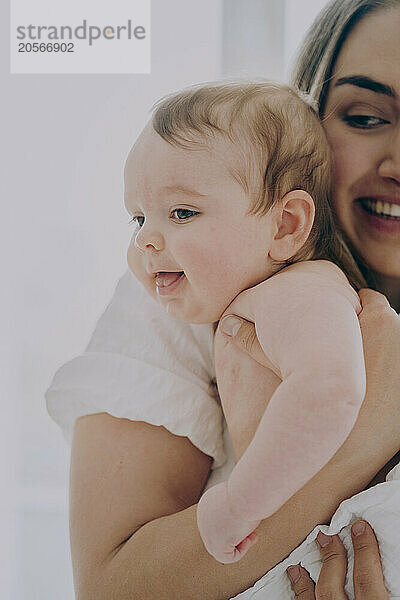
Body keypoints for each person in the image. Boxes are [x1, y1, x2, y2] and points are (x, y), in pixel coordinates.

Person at [46, 0, 400, 598]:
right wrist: (360, 441)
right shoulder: (194, 288)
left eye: (180, 211)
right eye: (365, 117)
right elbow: (112, 589)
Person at [124, 80, 367, 565]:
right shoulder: (255, 299)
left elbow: (330, 388)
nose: (147, 239)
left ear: (286, 226)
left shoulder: (301, 290)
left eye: (182, 212)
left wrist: (239, 502)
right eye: (137, 218)